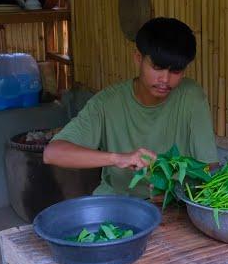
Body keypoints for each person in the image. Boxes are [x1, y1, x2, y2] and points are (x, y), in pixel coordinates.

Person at [44, 17, 219, 200]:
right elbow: (53, 153)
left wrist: (184, 194)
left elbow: (210, 166)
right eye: (157, 68)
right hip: (119, 202)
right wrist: (117, 158)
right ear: (138, 59)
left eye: (175, 71)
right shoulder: (107, 103)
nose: (165, 80)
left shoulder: (191, 96)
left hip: (176, 203)